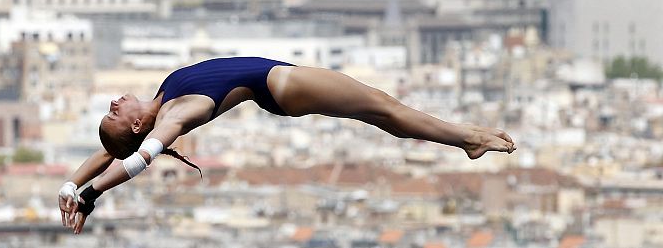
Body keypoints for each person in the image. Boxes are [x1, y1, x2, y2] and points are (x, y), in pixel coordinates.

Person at [58, 56, 516, 233]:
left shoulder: (161, 100)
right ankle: (469, 138)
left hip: (280, 86)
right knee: (383, 105)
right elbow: (137, 159)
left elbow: (109, 153)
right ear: (138, 125)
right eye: (115, 112)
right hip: (282, 84)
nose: (115, 101)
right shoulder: (176, 115)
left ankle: (465, 140)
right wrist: (94, 194)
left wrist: (71, 186)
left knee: (384, 116)